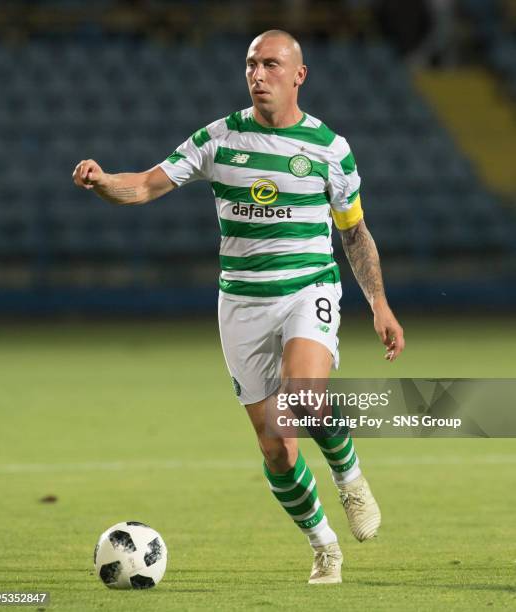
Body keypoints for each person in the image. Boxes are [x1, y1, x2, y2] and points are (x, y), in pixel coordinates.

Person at [72, 29, 405, 584]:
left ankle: (349, 478)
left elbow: (354, 233)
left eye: (271, 65)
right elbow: (146, 186)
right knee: (276, 447)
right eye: (251, 64)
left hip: (308, 290)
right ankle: (324, 545)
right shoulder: (219, 138)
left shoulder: (329, 148)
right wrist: (105, 181)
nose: (258, 75)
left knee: (304, 396)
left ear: (298, 75)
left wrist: (379, 303)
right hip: (243, 305)